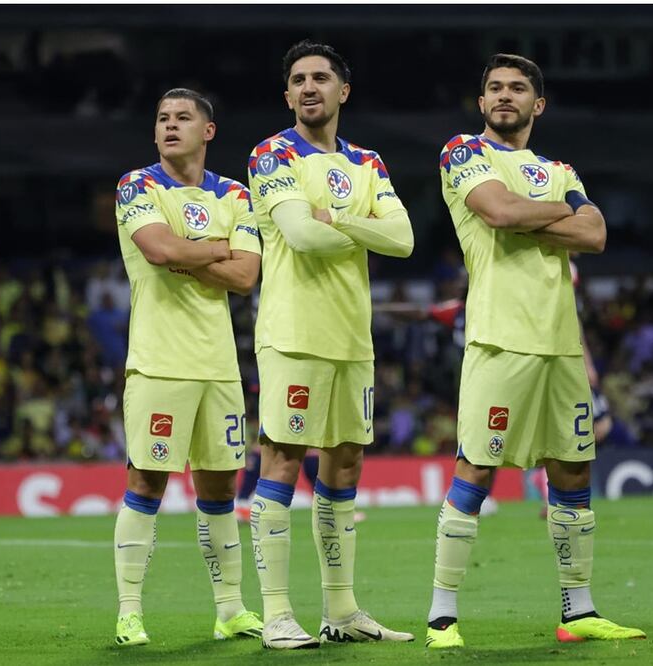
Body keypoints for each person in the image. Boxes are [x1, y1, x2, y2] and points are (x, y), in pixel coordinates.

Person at [424, 53, 645, 650]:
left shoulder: (559, 167)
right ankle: (441, 617)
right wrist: (562, 214)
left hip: (560, 344)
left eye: (517, 88)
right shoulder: (464, 152)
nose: (504, 96)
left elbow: (595, 234)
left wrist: (531, 217)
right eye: (494, 87)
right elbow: (497, 212)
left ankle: (580, 611)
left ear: (537, 104)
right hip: (500, 336)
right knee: (476, 468)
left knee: (572, 471)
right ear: (481, 102)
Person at [245, 40, 415, 649]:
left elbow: (404, 240)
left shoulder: (368, 161)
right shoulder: (272, 153)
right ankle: (275, 615)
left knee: (344, 464)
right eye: (297, 80)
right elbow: (298, 235)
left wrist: (335, 218)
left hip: (352, 337)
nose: (308, 87)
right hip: (294, 334)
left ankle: (341, 612)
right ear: (287, 95)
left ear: (343, 91)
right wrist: (357, 228)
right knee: (284, 461)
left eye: (320, 78)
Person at [112, 88, 264, 646]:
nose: (170, 126)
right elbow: (159, 251)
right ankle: (130, 612)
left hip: (219, 367)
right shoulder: (138, 185)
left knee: (221, 488)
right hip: (158, 364)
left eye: (183, 118)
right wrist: (215, 248)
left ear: (209, 131)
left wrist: (190, 248)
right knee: (147, 481)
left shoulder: (236, 193)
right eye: (162, 119)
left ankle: (230, 610)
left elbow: (247, 278)